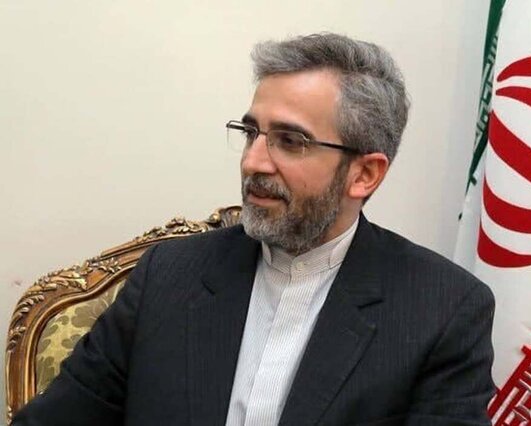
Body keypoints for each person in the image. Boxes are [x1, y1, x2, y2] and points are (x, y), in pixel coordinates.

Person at [13, 33, 495, 426]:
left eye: (291, 141)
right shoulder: (169, 276)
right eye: (250, 133)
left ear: (364, 174)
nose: (253, 162)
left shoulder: (442, 309)